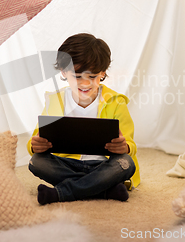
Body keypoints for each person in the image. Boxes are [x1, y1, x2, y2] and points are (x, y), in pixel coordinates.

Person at [27, 33, 140, 205]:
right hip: (67, 163)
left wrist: (124, 146)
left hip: (104, 166)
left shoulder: (116, 102)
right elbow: (36, 140)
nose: (85, 84)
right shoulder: (55, 100)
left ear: (102, 74)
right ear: (64, 72)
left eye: (93, 76)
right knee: (37, 162)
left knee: (125, 163)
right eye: (78, 77)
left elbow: (130, 146)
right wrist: (35, 145)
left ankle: (61, 193)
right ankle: (104, 189)